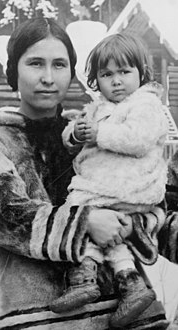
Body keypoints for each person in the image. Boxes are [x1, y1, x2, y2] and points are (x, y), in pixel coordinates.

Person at [0, 18, 173, 330]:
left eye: (59, 65)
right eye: (36, 63)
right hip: (39, 317)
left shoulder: (88, 132)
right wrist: (87, 220)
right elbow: (7, 216)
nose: (48, 77)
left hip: (126, 316)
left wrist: (134, 222)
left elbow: (155, 198)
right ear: (13, 70)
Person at [50, 33, 169, 328]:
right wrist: (76, 133)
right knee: (105, 228)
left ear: (141, 73)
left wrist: (99, 135)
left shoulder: (146, 104)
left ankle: (83, 272)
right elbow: (74, 138)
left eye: (125, 72)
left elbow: (138, 139)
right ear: (96, 80)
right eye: (106, 74)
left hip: (131, 184)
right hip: (112, 189)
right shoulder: (98, 107)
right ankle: (130, 284)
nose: (116, 81)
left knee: (77, 208)